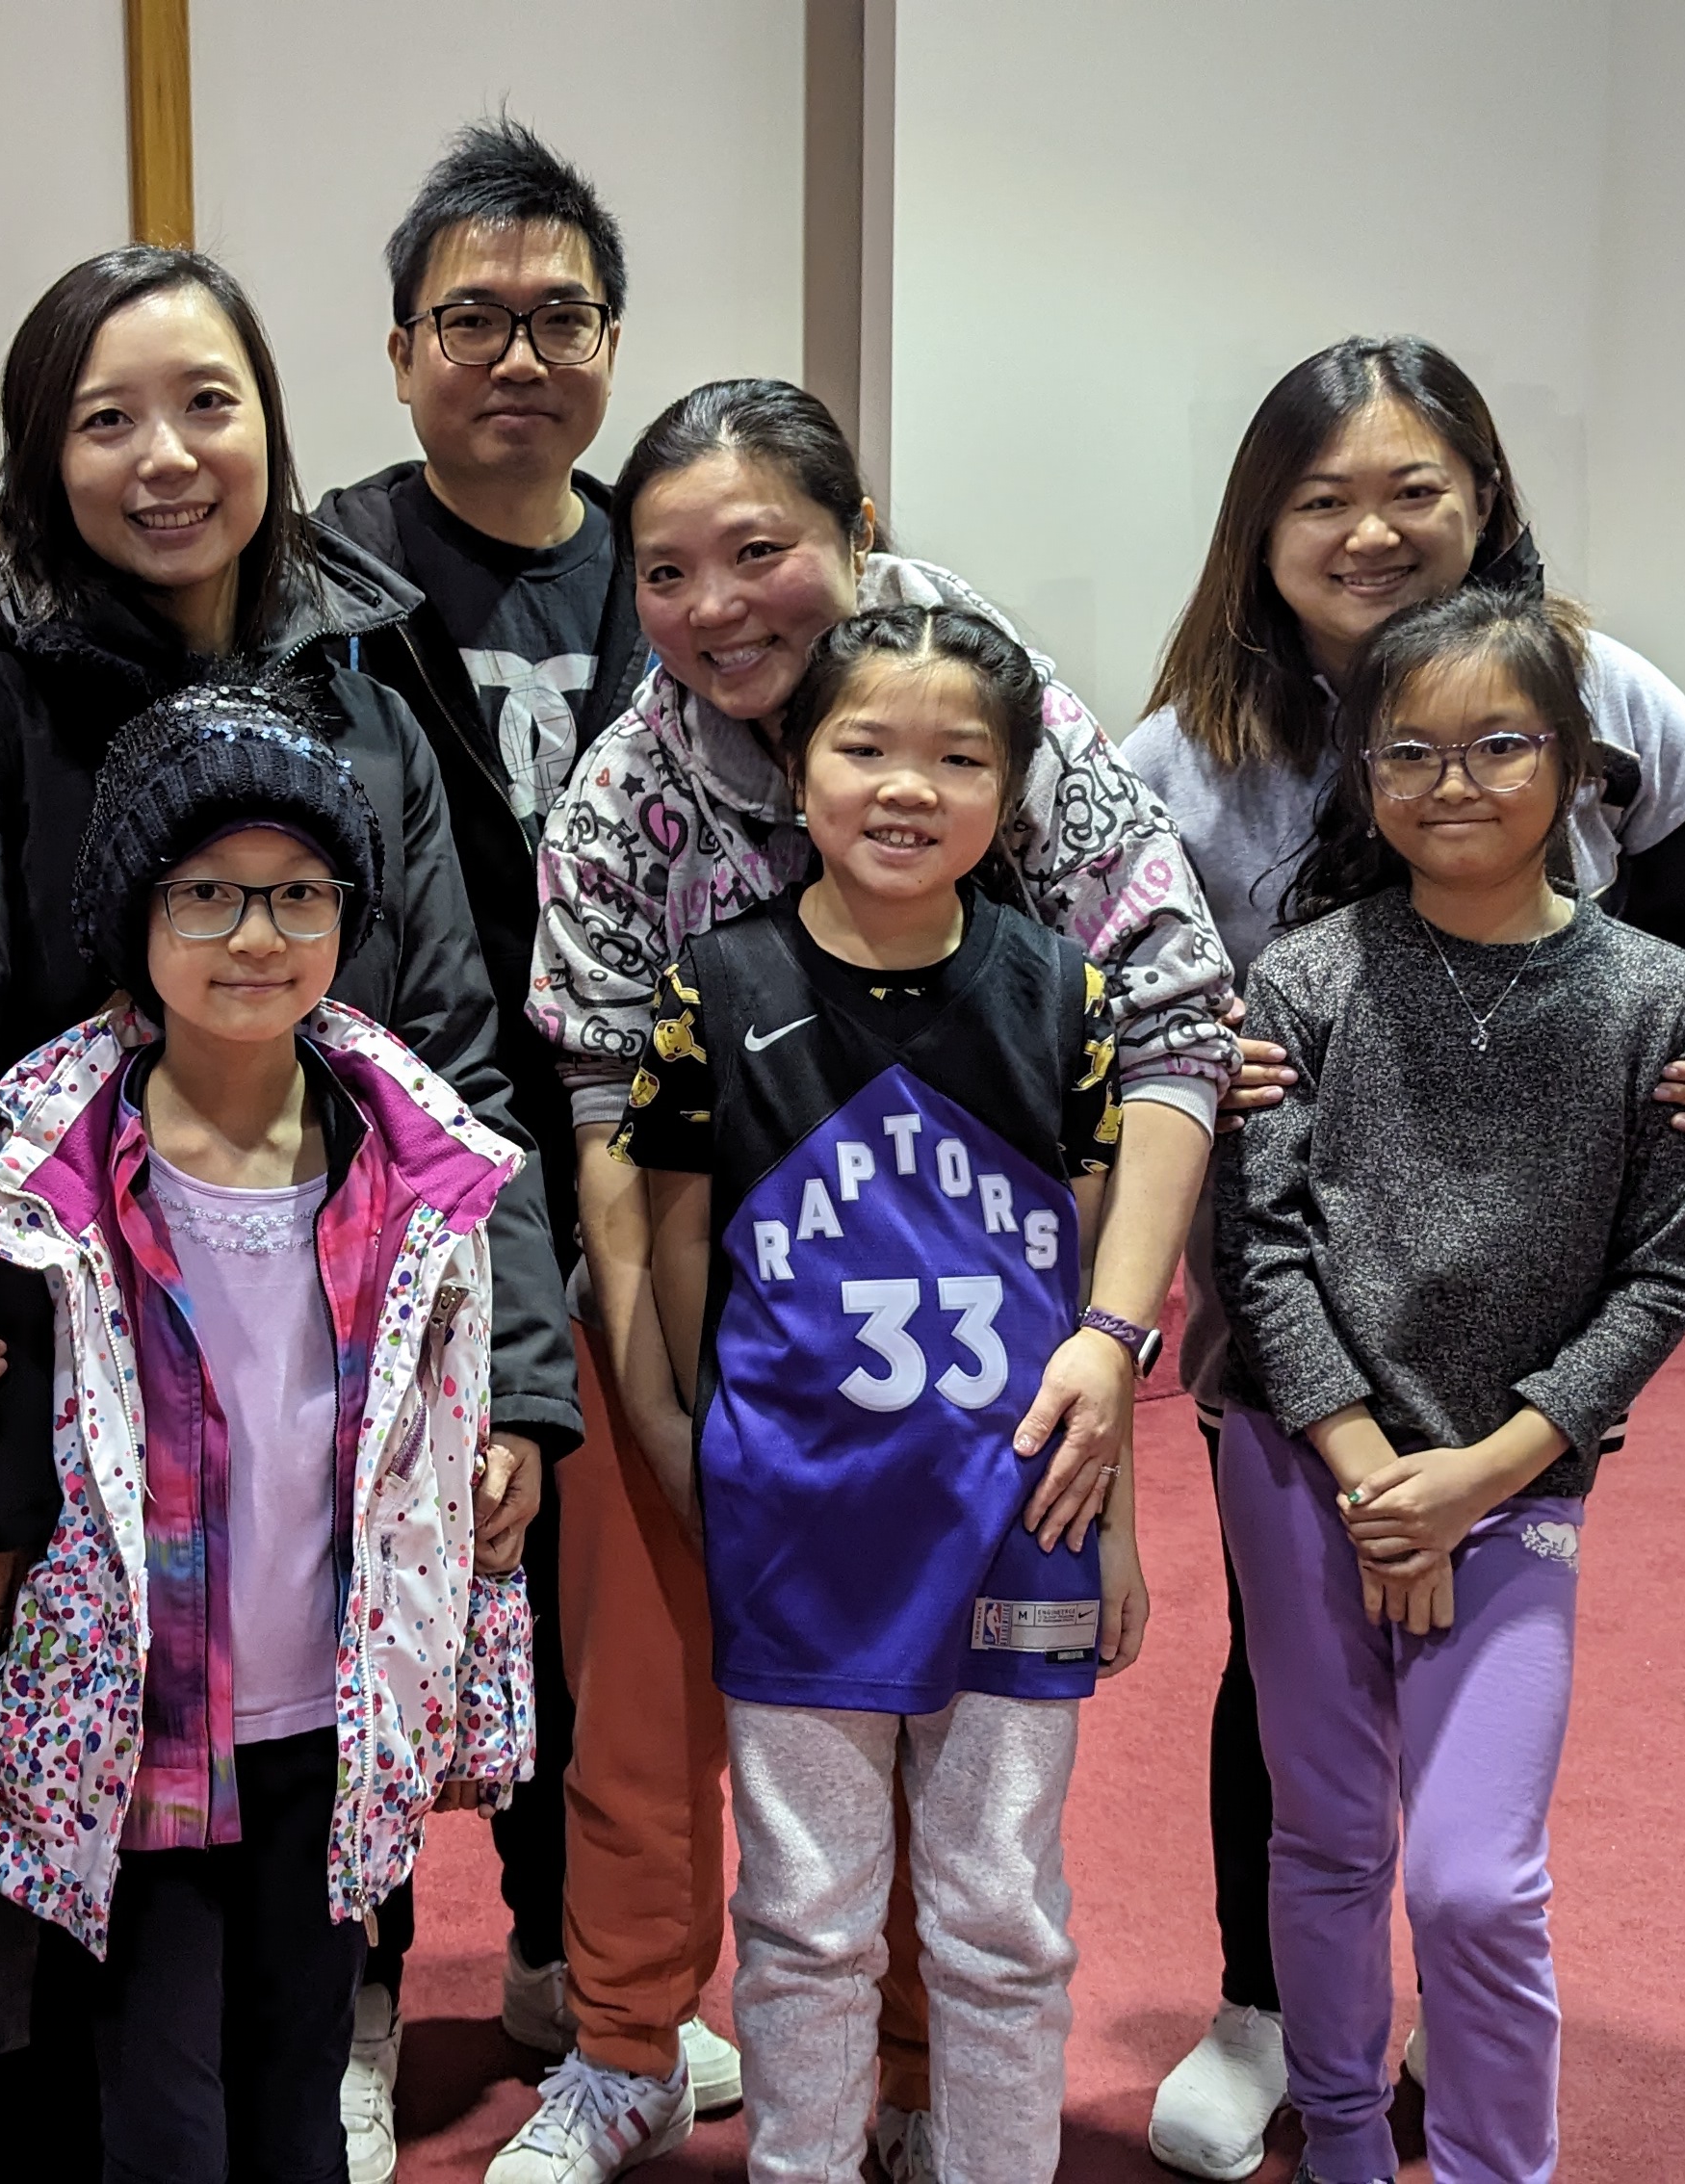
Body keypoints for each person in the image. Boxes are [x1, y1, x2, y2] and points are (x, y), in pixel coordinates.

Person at [0, 243, 573, 2183]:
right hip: (66, 1436)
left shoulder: (373, 702)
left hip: (319, 1421)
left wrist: (519, 1382)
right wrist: (9, 1438)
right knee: (33, 1957)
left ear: (271, 424)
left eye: (206, 405)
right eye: (107, 419)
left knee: (293, 1928)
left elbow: (457, 1069)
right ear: (40, 453)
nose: (164, 457)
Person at [516, 379, 1230, 2183]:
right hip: (734, 1335)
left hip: (989, 1357)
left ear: (853, 536)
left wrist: (1112, 1346)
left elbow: (1167, 1028)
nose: (714, 604)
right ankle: (626, 2047)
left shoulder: (982, 701)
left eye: (759, 549)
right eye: (663, 569)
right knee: (669, 1723)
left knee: (976, 1828)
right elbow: (614, 1132)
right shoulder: (627, 793)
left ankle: (923, 2085)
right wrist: (666, 1413)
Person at [1117, 336, 1685, 2181]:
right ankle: (1271, 2014)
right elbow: (1093, 983)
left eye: (1412, 487)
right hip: (1292, 1335)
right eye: (1320, 497)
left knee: (1470, 1803)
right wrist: (1195, 1044)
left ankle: (1442, 2041)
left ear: (1482, 496)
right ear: (1258, 528)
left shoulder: (1604, 691)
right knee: (1290, 1696)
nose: (1369, 529)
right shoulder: (1180, 756)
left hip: (1512, 1361)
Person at [0, 689, 537, 2184]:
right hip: (142, 1729)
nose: (257, 934)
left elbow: (438, 1409)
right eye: (207, 893)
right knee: (164, 2112)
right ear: (134, 916)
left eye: (298, 894)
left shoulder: (410, 1150)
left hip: (334, 1712)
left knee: (301, 2082)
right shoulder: (58, 1159)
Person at [616, 603, 1146, 2182]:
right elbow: (674, 1248)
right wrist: (699, 1452)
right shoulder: (714, 987)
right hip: (802, 1520)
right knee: (805, 1914)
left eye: (959, 758)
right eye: (864, 746)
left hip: (1017, 1518)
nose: (907, 787)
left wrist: (1116, 1525)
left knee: (1001, 1912)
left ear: (1012, 788)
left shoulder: (1063, 994)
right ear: (797, 767)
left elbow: (1086, 1292)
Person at [1212, 585, 1685, 2184]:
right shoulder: (1306, 980)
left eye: (1500, 745)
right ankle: (1344, 2145)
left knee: (1475, 1883)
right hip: (1309, 1467)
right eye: (1409, 752)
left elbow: (1657, 1280)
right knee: (1326, 1837)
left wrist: (1474, 1478)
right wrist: (1377, 1477)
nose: (1453, 783)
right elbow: (1261, 1252)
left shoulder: (1657, 1003)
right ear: (1363, 773)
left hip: (1511, 1484)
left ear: (1572, 761)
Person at [305, 119, 642, 2166]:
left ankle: (557, 1963)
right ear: (400, 349)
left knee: (582, 1584)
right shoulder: (320, 571)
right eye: (472, 319)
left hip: (628, 1154)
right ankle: (352, 1997)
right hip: (379, 1143)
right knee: (365, 1590)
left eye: (559, 317)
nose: (518, 356)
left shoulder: (670, 553)